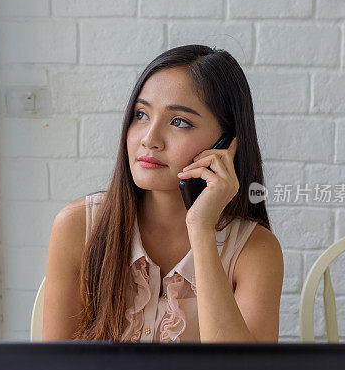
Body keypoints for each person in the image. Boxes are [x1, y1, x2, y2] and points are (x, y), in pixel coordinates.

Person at [42, 45, 283, 343]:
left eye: (179, 121)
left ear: (225, 144)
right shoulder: (78, 226)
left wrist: (202, 230)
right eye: (141, 114)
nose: (149, 139)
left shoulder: (254, 249)